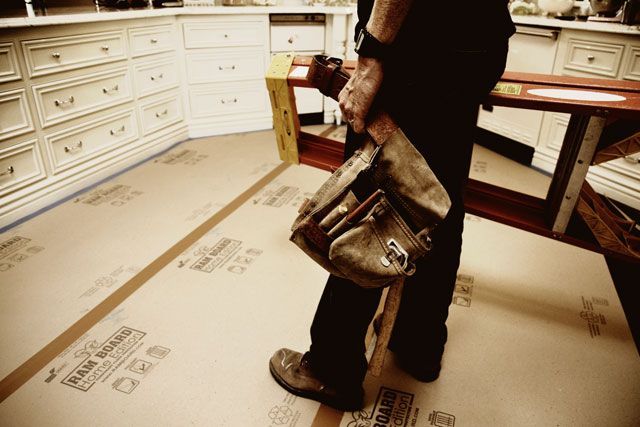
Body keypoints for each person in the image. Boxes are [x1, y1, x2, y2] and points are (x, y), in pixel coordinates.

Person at [269, 0, 516, 411]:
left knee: (375, 197)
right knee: (435, 193)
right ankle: (420, 344)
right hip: (478, 40)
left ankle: (332, 368)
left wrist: (372, 58)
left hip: (416, 44)